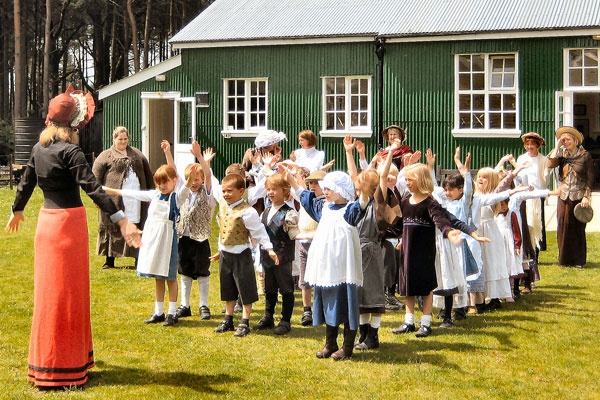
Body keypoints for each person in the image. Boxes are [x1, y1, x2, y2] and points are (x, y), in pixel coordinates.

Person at [5, 86, 141, 387]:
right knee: (68, 297)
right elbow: (92, 187)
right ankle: (61, 367)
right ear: (74, 124)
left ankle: (54, 362)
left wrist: (16, 210)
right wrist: (122, 220)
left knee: (50, 295)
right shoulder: (72, 151)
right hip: (69, 226)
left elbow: (26, 181)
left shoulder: (39, 149)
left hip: (47, 226)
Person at [104, 141, 195, 327]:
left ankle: (172, 312)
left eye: (166, 182)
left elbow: (184, 189)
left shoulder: (175, 198)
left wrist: (188, 177)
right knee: (157, 276)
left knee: (169, 277)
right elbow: (131, 193)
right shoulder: (153, 195)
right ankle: (158, 311)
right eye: (159, 183)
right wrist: (109, 190)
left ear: (174, 181)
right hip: (154, 239)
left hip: (167, 241)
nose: (162, 186)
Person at [285, 168, 371, 361]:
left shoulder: (350, 210)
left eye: (330, 188)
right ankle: (330, 343)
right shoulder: (324, 208)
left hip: (344, 267)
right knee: (330, 303)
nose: (325, 191)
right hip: (327, 268)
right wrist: (291, 179)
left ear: (341, 190)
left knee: (347, 304)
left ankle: (347, 347)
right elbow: (305, 198)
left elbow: (362, 204)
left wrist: (364, 190)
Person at [391, 164, 464, 338]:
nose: (407, 183)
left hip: (424, 253)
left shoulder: (431, 203)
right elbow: (397, 226)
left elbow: (439, 221)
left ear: (421, 180)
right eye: (406, 180)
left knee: (425, 288)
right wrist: (379, 235)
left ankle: (426, 323)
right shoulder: (405, 202)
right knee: (408, 288)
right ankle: (408, 321)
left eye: (410, 179)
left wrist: (449, 231)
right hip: (407, 253)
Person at [210, 173, 278, 337]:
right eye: (224, 191)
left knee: (245, 288)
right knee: (228, 288)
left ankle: (245, 321)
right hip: (226, 254)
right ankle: (229, 318)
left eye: (230, 191)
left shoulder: (248, 212)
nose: (226, 194)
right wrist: (220, 250)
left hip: (241, 254)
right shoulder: (224, 208)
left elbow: (259, 232)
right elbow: (223, 231)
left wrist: (268, 248)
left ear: (241, 191)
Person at [93, 126, 153, 269]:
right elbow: (95, 178)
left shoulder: (137, 154)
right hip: (114, 200)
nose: (123, 141)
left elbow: (148, 174)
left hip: (135, 199)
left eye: (125, 139)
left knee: (136, 224)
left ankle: (138, 259)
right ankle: (110, 260)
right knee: (113, 224)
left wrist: (151, 195)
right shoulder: (105, 156)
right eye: (120, 139)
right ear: (114, 139)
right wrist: (98, 197)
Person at [254, 174, 300, 335]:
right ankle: (268, 316)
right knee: (269, 288)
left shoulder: (289, 213)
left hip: (283, 257)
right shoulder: (265, 212)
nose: (270, 192)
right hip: (266, 257)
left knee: (286, 288)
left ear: (285, 190)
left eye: (274, 189)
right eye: (268, 189)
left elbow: (294, 233)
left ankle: (285, 320)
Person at [175, 142, 216, 320]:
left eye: (196, 180)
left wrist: (200, 157)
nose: (194, 183)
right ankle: (185, 305)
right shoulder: (183, 193)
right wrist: (168, 152)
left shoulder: (206, 194)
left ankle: (204, 305)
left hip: (201, 239)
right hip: (184, 237)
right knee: (185, 272)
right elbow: (173, 172)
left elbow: (207, 174)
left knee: (202, 272)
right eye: (190, 180)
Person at [547, 126, 594, 268]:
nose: (565, 142)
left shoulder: (585, 155)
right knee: (562, 226)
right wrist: (557, 146)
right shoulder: (562, 155)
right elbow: (550, 164)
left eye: (568, 139)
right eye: (563, 140)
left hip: (579, 195)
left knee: (577, 227)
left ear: (575, 140)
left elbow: (591, 177)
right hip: (563, 196)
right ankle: (564, 260)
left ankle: (578, 261)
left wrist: (586, 196)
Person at [296, 169, 326, 326]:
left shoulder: (324, 203)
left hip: (318, 244)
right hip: (304, 244)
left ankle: (320, 308)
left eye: (317, 183)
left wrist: (309, 235)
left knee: (320, 278)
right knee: (304, 279)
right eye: (310, 183)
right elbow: (299, 191)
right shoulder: (307, 199)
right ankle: (306, 310)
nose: (313, 186)